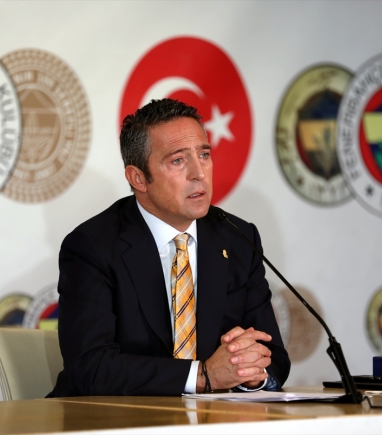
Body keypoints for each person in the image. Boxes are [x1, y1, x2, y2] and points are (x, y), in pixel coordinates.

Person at [48, 99, 290, 397]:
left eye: (204, 155)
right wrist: (202, 376)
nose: (199, 173)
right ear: (138, 178)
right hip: (114, 417)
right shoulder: (93, 246)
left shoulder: (237, 237)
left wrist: (250, 371)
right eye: (178, 161)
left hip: (213, 419)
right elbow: (90, 368)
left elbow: (273, 355)